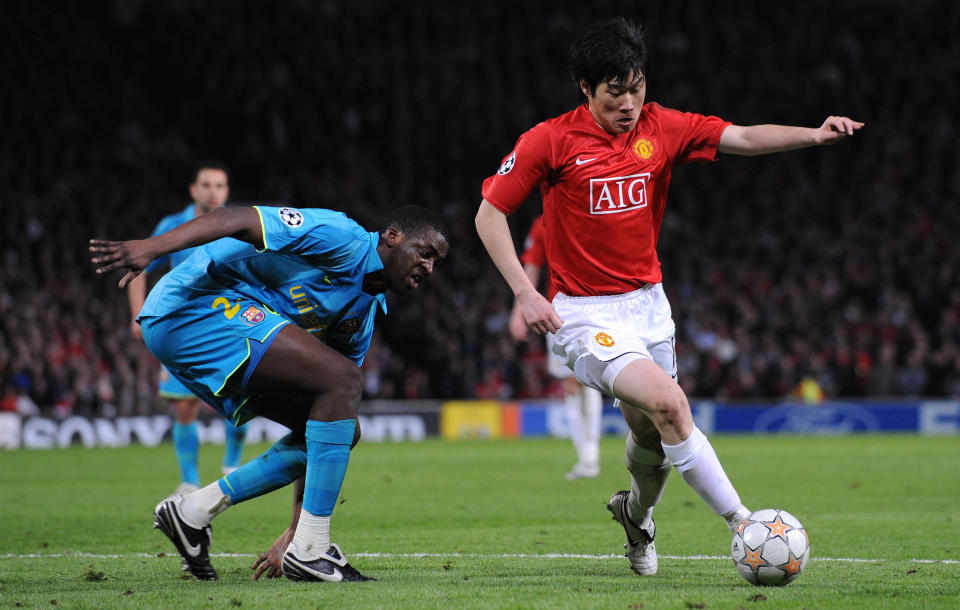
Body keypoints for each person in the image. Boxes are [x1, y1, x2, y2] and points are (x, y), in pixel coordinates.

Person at [475, 16, 862, 577]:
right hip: (583, 314)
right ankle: (747, 526)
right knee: (671, 405)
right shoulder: (550, 140)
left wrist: (816, 133)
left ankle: (636, 516)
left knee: (649, 436)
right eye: (615, 93)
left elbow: (745, 137)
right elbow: (490, 214)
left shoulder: (664, 126)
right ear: (586, 89)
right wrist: (524, 293)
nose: (629, 103)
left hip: (650, 309)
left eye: (637, 87)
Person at [91, 203, 449, 582]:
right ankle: (313, 549)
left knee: (343, 426)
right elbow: (240, 219)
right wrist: (154, 248)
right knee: (344, 380)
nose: (429, 268)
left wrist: (295, 534)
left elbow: (328, 409)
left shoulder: (361, 317)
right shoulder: (341, 238)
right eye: (425, 253)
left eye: (436, 262)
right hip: (192, 305)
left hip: (224, 330)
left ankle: (195, 511)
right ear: (392, 236)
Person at [127, 161, 248, 497]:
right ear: (194, 190)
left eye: (220, 186)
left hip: (229, 323)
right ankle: (189, 481)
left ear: (227, 191)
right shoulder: (173, 225)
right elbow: (138, 265)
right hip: (181, 328)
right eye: (206, 185)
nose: (213, 191)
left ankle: (232, 464)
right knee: (185, 406)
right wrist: (138, 314)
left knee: (244, 395)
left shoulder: (238, 225)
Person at [509, 215, 603, 479]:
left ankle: (590, 456)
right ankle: (586, 458)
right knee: (571, 384)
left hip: (594, 307)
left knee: (587, 381)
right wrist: (519, 312)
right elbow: (532, 266)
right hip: (558, 310)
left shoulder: (589, 213)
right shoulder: (543, 224)